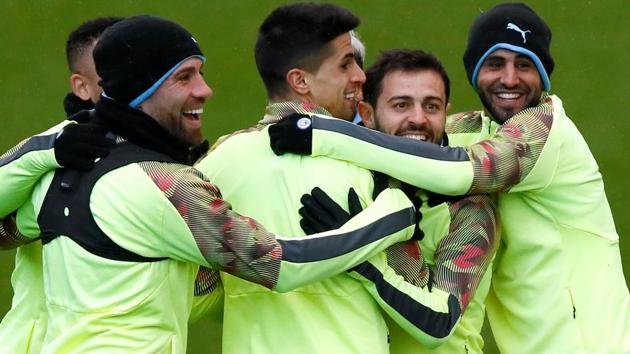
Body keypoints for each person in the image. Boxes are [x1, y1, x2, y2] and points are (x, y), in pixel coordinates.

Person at [3, 15, 417, 353]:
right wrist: (390, 217)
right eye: (185, 77)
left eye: (200, 73)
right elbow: (285, 264)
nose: (206, 90)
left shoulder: (62, 168)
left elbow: (8, 231)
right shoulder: (165, 184)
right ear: (141, 90)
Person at [269, 3, 630, 353]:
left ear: (544, 75)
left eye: (525, 64)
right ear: (475, 71)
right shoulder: (474, 128)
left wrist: (322, 134)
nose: (509, 78)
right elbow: (405, 136)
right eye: (494, 64)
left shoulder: (547, 130)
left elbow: (463, 170)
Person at [195, 4, 495, 353]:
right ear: (300, 81)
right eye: (345, 64)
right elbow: (433, 315)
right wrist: (355, 251)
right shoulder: (380, 178)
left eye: (431, 106)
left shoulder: (214, 166)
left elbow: (198, 292)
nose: (359, 75)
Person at [0, 17, 121, 354]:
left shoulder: (168, 164)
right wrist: (50, 152)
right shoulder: (54, 149)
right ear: (82, 88)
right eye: (110, 74)